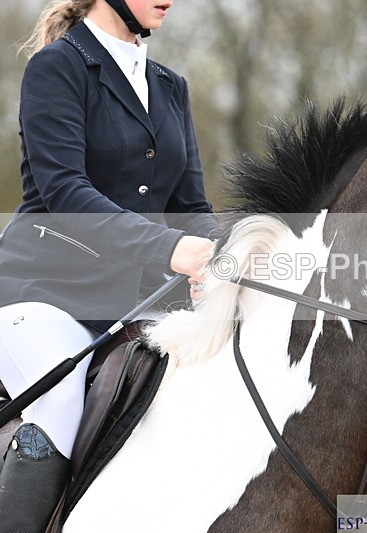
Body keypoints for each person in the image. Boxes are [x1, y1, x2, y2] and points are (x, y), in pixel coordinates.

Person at [0, 1, 219, 530]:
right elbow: (66, 193)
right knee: (60, 399)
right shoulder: (57, 68)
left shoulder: (170, 86)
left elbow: (190, 209)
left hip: (130, 303)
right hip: (41, 293)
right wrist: (170, 250)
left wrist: (238, 253)